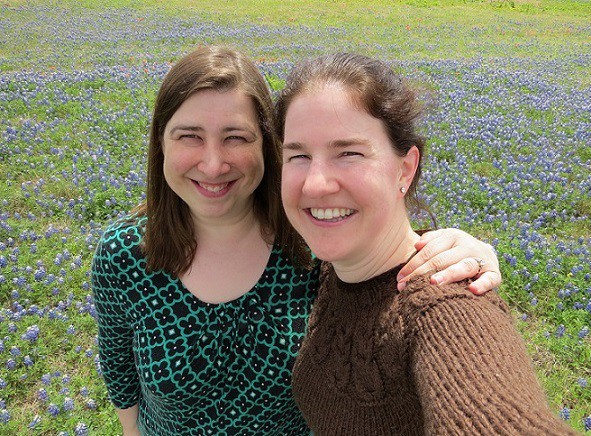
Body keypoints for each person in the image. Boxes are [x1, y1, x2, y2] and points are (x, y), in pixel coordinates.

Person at [91, 46, 502, 435]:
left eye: (236, 136)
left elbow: (386, 263)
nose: (213, 163)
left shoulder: (313, 247)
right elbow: (118, 364)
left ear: (267, 148)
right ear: (160, 143)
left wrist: (459, 252)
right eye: (189, 136)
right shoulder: (124, 254)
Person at [277, 53, 579, 435]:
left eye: (349, 153)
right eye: (298, 155)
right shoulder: (327, 266)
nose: (315, 184)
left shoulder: (447, 310)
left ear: (405, 168)